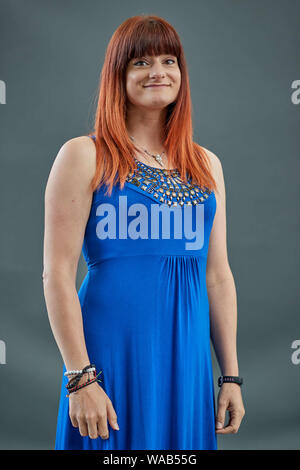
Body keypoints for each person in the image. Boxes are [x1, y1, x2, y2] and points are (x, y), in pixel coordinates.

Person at [43, 14, 245, 451]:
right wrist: (79, 378)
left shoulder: (207, 165)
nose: (158, 71)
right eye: (141, 62)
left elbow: (217, 276)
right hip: (109, 356)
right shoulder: (84, 155)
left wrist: (229, 375)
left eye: (170, 60)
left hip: (185, 360)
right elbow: (57, 274)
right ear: (119, 74)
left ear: (182, 74)